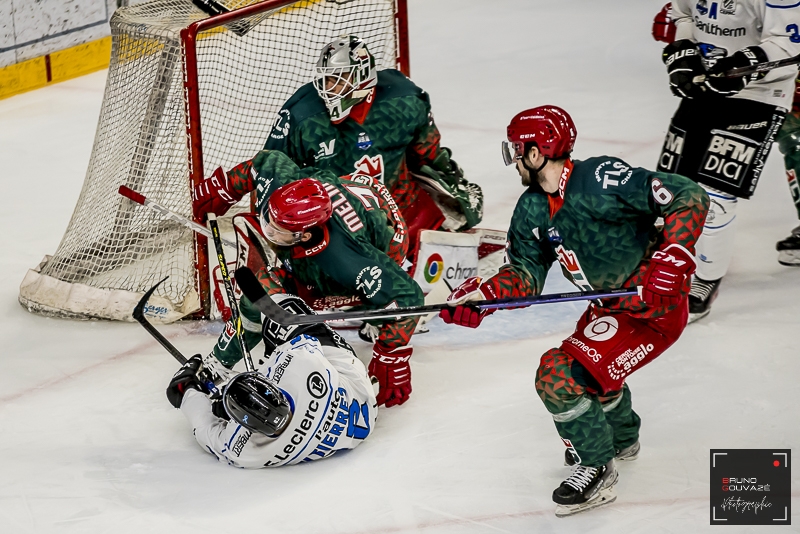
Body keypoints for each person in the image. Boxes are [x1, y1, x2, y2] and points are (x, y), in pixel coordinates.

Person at [439, 106, 709, 516]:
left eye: (517, 149)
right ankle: (620, 440)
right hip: (608, 308)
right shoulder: (531, 208)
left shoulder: (599, 179)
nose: (513, 159)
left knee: (558, 375)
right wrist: (486, 295)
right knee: (592, 373)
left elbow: (688, 195)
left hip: (652, 309)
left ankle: (597, 467)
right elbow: (526, 273)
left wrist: (673, 255)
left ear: (536, 152)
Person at [192, 35, 483, 256]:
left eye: (338, 80)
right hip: (334, 224)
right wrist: (271, 231)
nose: (328, 88)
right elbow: (271, 171)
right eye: (326, 79)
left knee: (454, 234)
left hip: (400, 215)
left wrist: (455, 190)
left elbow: (428, 156)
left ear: (363, 80)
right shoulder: (304, 114)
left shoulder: (404, 100)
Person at [196, 149, 424, 408]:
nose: (268, 230)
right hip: (349, 188)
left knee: (371, 293)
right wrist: (225, 188)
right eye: (268, 221)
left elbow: (408, 297)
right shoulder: (279, 186)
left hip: (385, 235)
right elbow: (266, 161)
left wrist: (391, 355)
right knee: (258, 291)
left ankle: (374, 313)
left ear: (304, 236)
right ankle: (220, 362)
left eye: (278, 231)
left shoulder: (345, 258)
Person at [655, 0, 800, 321]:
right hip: (706, 85)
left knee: (717, 195)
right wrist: (683, 52)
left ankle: (705, 280)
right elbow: (682, 14)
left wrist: (748, 63)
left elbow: (791, 46)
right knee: (669, 189)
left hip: (760, 93)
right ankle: (666, 265)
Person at [166, 293, 378, 468]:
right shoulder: (302, 364)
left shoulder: (242, 449)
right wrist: (189, 394)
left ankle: (219, 363)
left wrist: (188, 391)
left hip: (356, 419)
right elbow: (300, 343)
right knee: (275, 304)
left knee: (258, 309)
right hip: (354, 386)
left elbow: (204, 428)